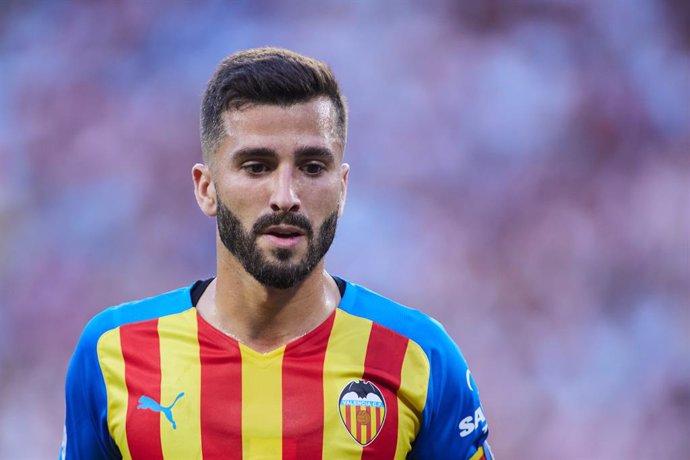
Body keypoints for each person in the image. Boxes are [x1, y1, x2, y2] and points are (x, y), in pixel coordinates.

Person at [61, 47, 492, 460]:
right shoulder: (112, 351)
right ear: (206, 188)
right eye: (257, 167)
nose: (285, 196)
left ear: (342, 189)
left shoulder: (419, 354)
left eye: (311, 167)